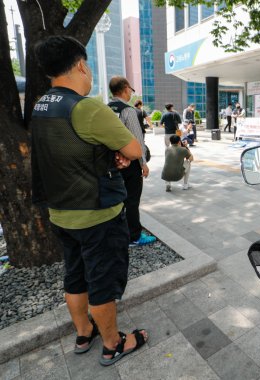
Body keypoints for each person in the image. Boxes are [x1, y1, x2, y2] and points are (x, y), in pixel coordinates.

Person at [30, 35, 148, 367]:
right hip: (96, 213)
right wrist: (117, 154)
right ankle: (113, 344)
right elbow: (134, 150)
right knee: (102, 281)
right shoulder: (86, 106)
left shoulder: (40, 105)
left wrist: (107, 155)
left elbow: (68, 152)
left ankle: (84, 333)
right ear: (81, 64)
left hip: (60, 212)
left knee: (75, 274)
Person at [108, 77, 156, 246]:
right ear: (126, 88)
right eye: (131, 89)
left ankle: (119, 232)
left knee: (117, 200)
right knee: (132, 200)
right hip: (130, 163)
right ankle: (134, 236)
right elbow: (137, 139)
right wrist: (143, 162)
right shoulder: (128, 110)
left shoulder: (106, 108)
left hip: (112, 163)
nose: (131, 93)